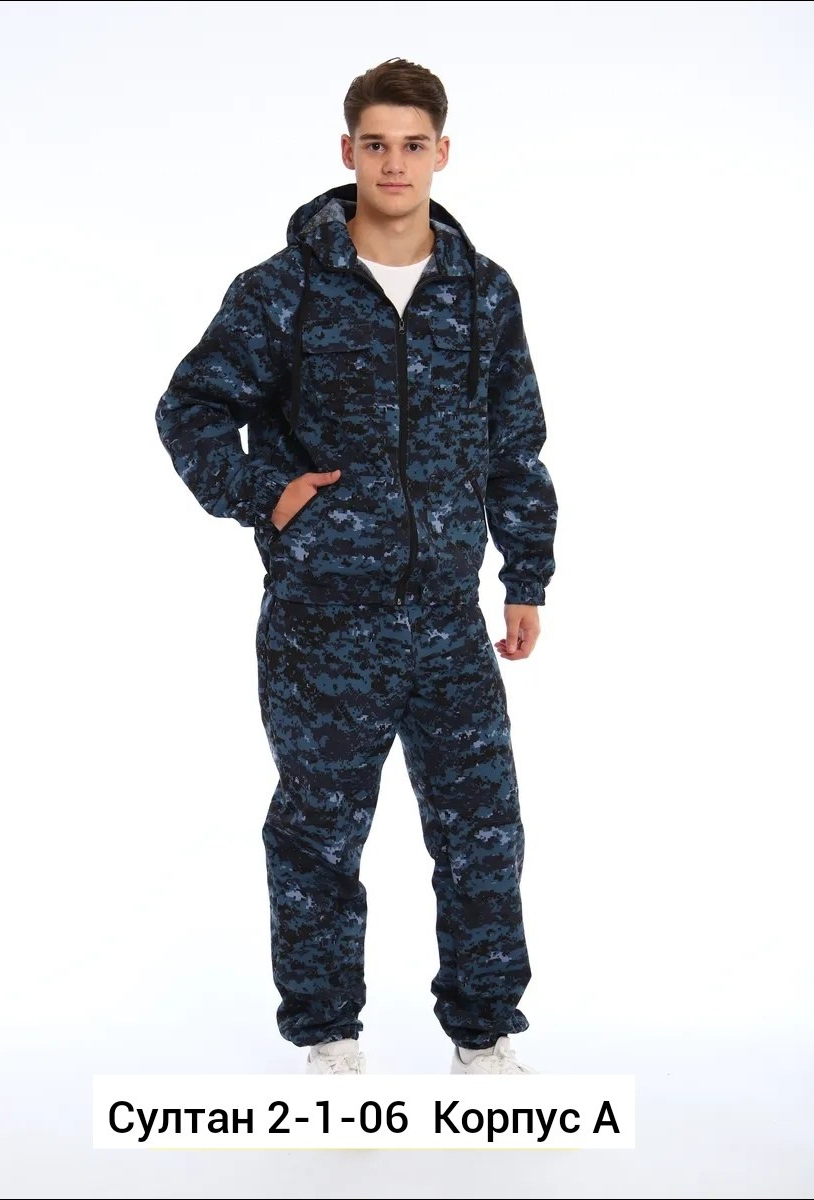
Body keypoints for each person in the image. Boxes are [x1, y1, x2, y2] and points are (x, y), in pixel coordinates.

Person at [154, 57, 558, 1076]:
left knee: (483, 833)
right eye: (375, 143)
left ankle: (484, 1038)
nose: (394, 163)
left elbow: (515, 442)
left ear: (442, 153)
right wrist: (266, 494)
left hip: (448, 622)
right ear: (348, 151)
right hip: (323, 622)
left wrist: (525, 574)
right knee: (319, 838)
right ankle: (328, 1038)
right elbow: (191, 408)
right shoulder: (284, 289)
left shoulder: (482, 293)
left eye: (413, 144)